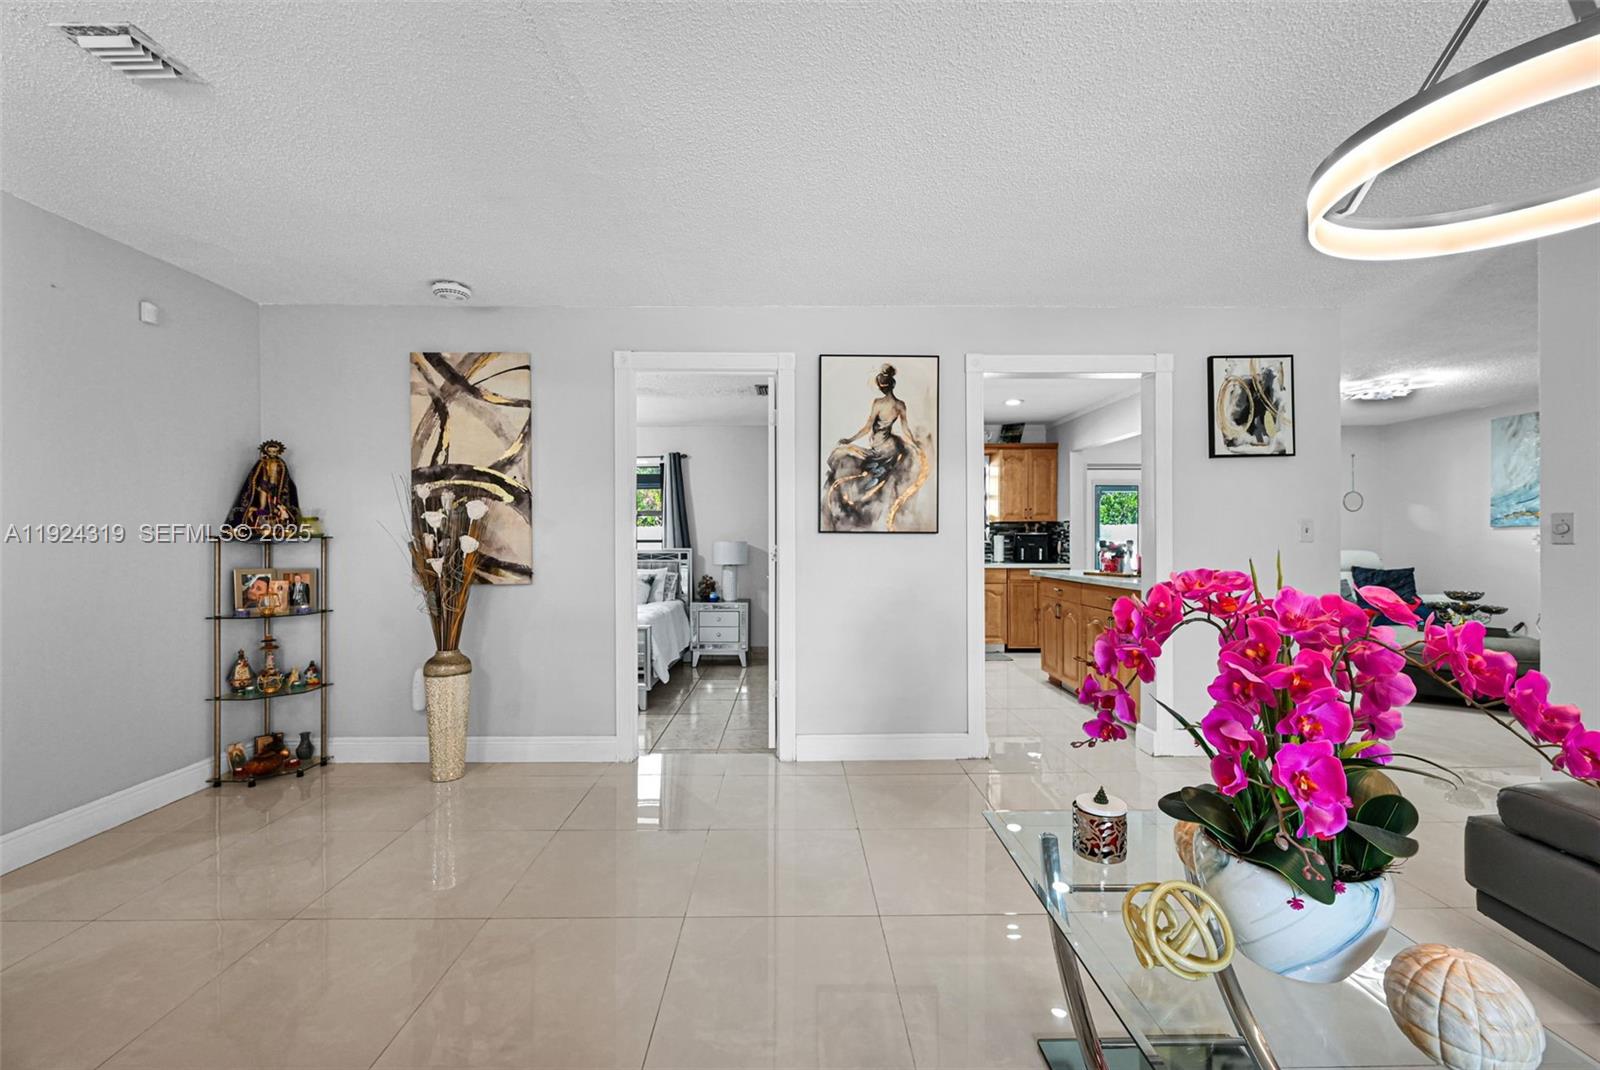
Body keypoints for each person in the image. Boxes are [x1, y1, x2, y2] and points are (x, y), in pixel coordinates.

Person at [821, 363, 929, 532]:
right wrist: (915, 442)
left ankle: (860, 508)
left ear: (881, 386)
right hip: (892, 447)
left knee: (862, 472)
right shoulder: (900, 405)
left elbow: (867, 428)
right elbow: (906, 430)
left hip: (880, 447)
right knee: (877, 479)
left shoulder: (878, 403)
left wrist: (850, 439)